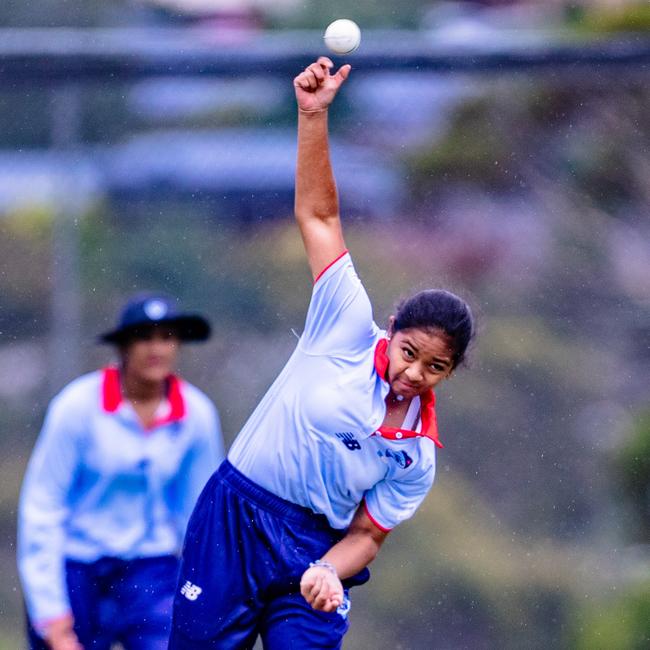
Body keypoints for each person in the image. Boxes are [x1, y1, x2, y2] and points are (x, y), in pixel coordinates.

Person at [168, 57, 475, 650]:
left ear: (451, 371)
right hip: (235, 516)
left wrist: (330, 570)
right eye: (409, 352)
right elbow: (318, 215)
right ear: (391, 329)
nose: (413, 374)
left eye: (435, 367)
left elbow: (367, 533)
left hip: (314, 549)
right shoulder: (343, 324)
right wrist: (312, 115)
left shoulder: (417, 458)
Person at [18, 293, 226, 650]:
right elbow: (43, 506)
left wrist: (207, 598)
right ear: (124, 347)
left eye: (167, 337)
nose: (156, 349)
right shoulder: (77, 407)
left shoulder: (197, 415)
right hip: (78, 570)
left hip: (152, 573)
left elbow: (200, 518)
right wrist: (51, 614)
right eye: (145, 337)